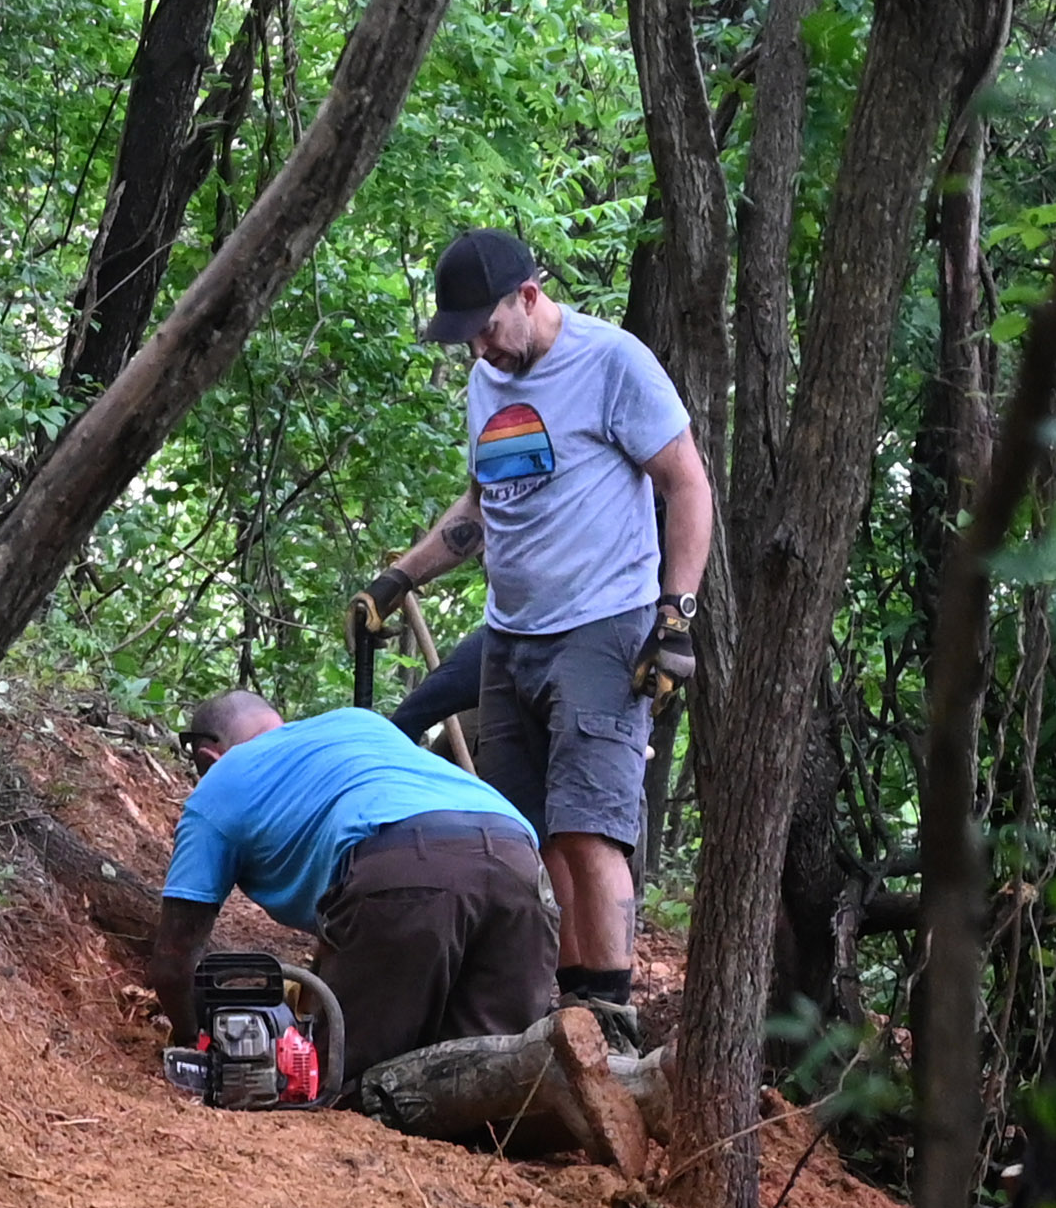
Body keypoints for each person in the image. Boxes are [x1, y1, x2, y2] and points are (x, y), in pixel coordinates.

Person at [354, 229, 713, 1070]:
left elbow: (687, 482)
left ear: (528, 294)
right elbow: (482, 506)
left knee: (591, 832)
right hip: (512, 634)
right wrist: (400, 578)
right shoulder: (489, 380)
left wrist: (676, 615)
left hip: (604, 622)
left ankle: (611, 1022)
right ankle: (566, 1018)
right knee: (533, 833)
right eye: (465, 333)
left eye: (485, 325)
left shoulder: (612, 362)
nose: (478, 346)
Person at [156, 689, 560, 1083]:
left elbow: (175, 959)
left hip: (406, 867)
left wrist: (193, 1038)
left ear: (208, 757)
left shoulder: (217, 787)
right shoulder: (357, 724)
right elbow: (352, 919)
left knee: (349, 1082)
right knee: (490, 1079)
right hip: (519, 859)